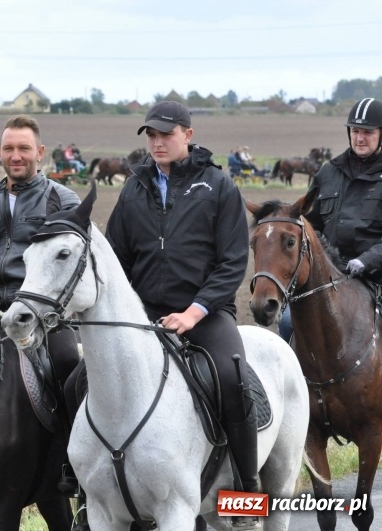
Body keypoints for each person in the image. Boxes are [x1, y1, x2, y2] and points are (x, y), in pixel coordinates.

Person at [105, 101, 258, 529]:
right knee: (83, 378)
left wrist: (194, 312)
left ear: (187, 135)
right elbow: (115, 259)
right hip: (143, 315)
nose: (157, 142)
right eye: (151, 135)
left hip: (206, 313)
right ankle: (85, 490)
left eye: (165, 134)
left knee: (233, 377)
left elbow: (232, 261)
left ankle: (246, 494)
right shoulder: (133, 188)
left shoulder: (219, 186)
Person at [0, 114, 82, 489]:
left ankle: (70, 463)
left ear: (39, 152)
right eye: (9, 148)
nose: (16, 155)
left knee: (67, 367)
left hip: (46, 318)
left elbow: (73, 265)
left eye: (24, 148)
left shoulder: (62, 199)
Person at [278, 97, 382, 343]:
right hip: (331, 280)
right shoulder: (329, 172)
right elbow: (309, 224)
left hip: (376, 280)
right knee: (286, 322)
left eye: (367, 132)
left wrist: (366, 260)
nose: (360, 138)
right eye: (355, 131)